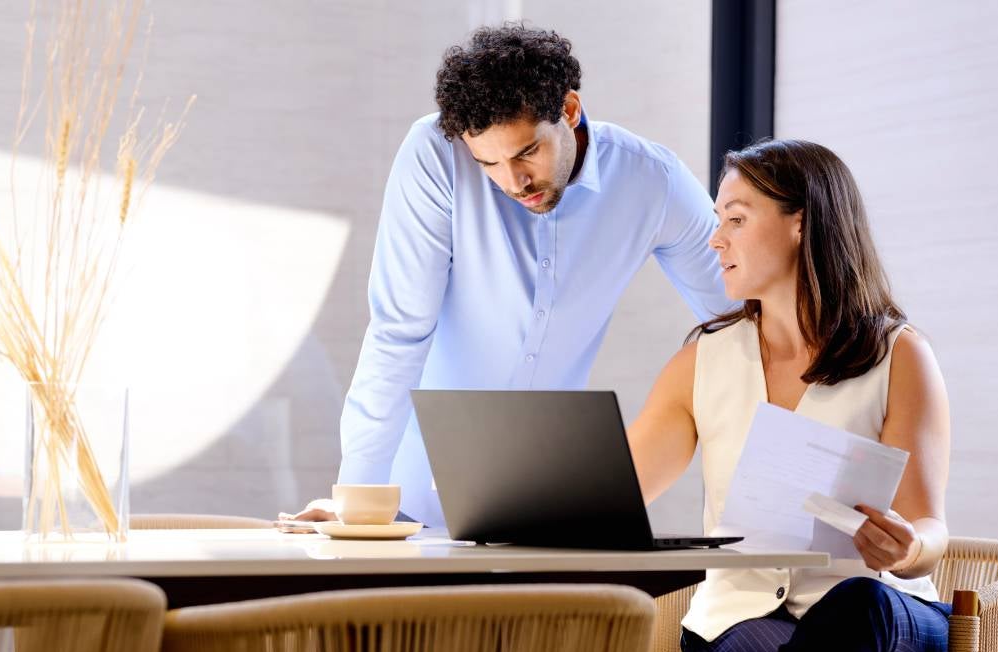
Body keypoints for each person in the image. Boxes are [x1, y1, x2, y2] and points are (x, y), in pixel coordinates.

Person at [282, 24, 731, 527]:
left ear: (569, 110)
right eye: (487, 163)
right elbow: (400, 330)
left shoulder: (651, 181)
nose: (512, 182)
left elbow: (740, 316)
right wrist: (358, 499)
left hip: (541, 498)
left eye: (526, 153)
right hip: (407, 496)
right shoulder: (435, 153)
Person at [627, 139, 953, 652]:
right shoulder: (702, 362)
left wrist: (907, 549)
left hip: (887, 622)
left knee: (858, 605)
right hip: (740, 623)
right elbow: (618, 496)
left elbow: (929, 529)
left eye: (735, 219)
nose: (715, 239)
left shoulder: (899, 356)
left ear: (801, 224)